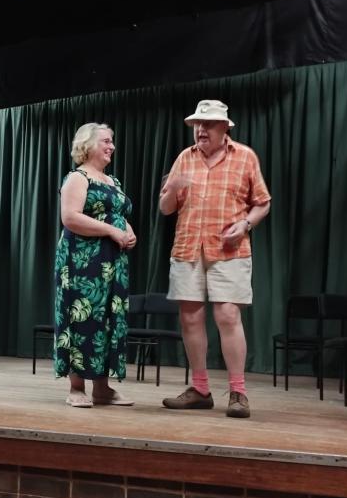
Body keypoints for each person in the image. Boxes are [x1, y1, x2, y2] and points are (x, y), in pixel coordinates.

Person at [159, 100, 271, 418]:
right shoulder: (185, 158)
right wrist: (171, 190)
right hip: (188, 247)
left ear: (225, 128)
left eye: (207, 124)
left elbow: (263, 202)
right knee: (191, 318)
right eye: (197, 124)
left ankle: (238, 392)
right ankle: (200, 389)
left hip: (229, 250)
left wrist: (246, 224)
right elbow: (166, 209)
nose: (201, 129)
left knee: (227, 316)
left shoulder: (245, 157)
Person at [54, 123, 137, 408]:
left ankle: (102, 388)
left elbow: (116, 213)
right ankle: (77, 387)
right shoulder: (77, 178)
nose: (112, 146)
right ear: (87, 145)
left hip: (112, 262)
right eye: (106, 141)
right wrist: (112, 231)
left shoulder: (113, 181)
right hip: (82, 260)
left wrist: (127, 229)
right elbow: (71, 217)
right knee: (83, 318)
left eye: (112, 141)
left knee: (108, 319)